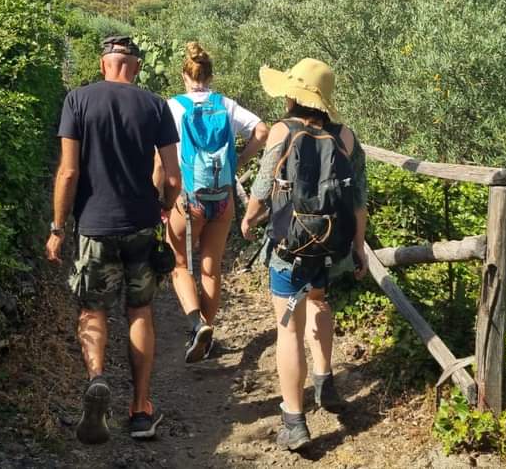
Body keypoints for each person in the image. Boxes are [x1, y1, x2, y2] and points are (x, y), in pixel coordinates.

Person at [45, 35, 182, 444]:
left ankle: (97, 380)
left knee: (93, 309)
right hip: (140, 224)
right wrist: (162, 206)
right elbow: (173, 177)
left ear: (104, 63)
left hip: (93, 225)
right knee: (139, 310)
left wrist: (56, 228)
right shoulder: (155, 105)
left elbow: (68, 173)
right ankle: (140, 410)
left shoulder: (78, 101)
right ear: (135, 66)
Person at [240, 58, 369, 452]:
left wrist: (248, 220)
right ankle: (324, 378)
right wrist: (359, 247)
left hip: (289, 247)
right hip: (332, 245)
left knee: (287, 327)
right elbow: (359, 200)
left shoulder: (282, 130)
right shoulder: (346, 136)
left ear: (294, 97)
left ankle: (295, 422)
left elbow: (263, 189)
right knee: (319, 300)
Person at [157, 42, 268, 363]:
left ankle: (197, 325)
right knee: (211, 269)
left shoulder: (173, 107)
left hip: (186, 198)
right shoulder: (226, 105)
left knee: (179, 265)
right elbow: (261, 130)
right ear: (210, 75)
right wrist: (240, 161)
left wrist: (160, 199)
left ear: (184, 74)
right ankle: (207, 333)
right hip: (222, 198)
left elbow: (159, 162)